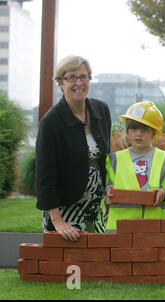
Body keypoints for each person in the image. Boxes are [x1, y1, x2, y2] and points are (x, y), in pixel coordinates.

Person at [35, 55, 111, 241]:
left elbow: (106, 159)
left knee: (97, 265)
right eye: (72, 77)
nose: (79, 82)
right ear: (61, 83)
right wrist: (57, 221)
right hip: (65, 213)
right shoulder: (50, 122)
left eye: (84, 76)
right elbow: (44, 177)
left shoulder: (101, 111)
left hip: (95, 211)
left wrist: (108, 197)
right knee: (67, 267)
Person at [105, 101, 165, 230]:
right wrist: (108, 190)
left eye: (145, 129)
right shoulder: (114, 160)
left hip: (155, 230)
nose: (139, 133)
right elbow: (104, 184)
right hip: (120, 231)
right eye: (134, 128)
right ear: (127, 132)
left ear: (154, 132)